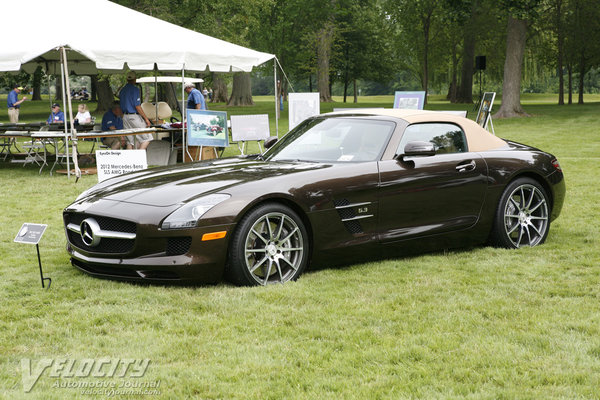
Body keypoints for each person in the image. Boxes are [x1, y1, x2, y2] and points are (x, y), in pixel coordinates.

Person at [119, 71, 153, 150]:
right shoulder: (135, 89)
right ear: (135, 79)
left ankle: (129, 161)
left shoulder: (122, 90)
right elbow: (137, 106)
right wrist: (146, 119)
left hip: (125, 117)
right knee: (147, 138)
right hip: (133, 116)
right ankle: (138, 158)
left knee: (130, 141)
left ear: (127, 79)